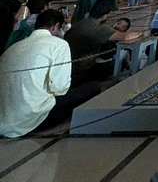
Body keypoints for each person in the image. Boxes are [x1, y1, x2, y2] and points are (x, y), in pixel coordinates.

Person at [0, 9, 101, 137]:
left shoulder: (14, 47)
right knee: (93, 87)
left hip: (3, 119)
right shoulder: (59, 44)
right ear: (55, 27)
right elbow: (60, 89)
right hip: (29, 120)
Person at [65, 0, 141, 84]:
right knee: (119, 63)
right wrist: (140, 33)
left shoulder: (80, 24)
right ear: (104, 15)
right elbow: (125, 37)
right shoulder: (97, 28)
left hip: (70, 67)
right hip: (82, 71)